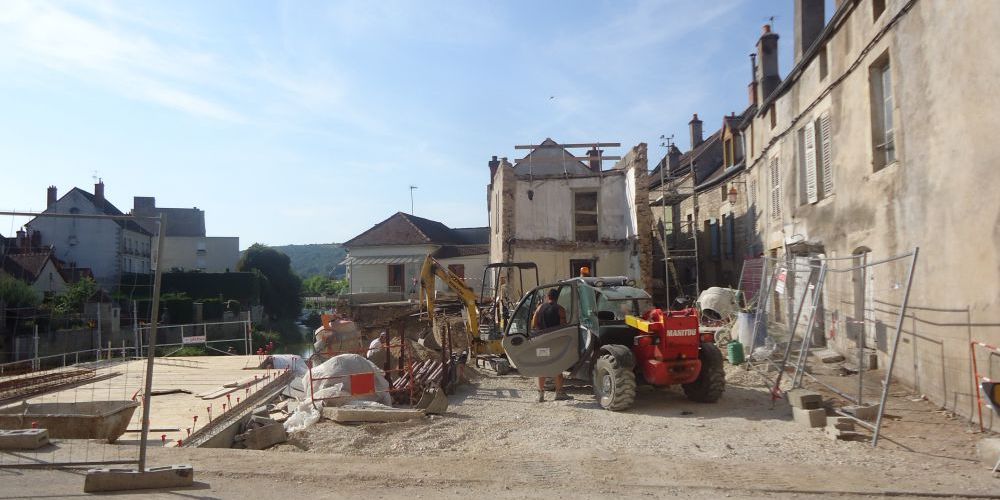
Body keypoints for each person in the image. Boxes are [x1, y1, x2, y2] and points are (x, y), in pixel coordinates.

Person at [531, 288, 571, 402]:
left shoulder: (539, 308)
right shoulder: (560, 309)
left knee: (542, 368)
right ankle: (559, 393)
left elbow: (534, 324)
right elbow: (563, 326)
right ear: (557, 298)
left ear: (548, 297)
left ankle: (540, 394)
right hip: (555, 342)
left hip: (542, 342)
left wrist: (542, 333)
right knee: (557, 367)